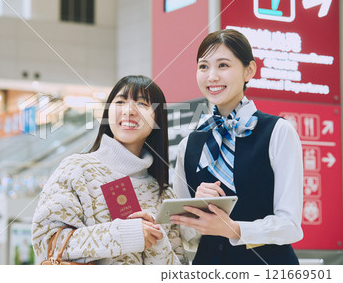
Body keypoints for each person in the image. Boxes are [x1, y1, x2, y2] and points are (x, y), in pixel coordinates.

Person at [171, 29, 303, 265]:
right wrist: (195, 209)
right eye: (203, 67)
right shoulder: (188, 145)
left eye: (223, 65)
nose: (211, 76)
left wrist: (234, 229)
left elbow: (290, 226)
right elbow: (184, 235)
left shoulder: (278, 132)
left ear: (249, 70)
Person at [32, 75, 187, 265]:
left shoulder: (163, 195)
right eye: (120, 101)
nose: (129, 111)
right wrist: (124, 235)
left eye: (142, 104)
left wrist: (157, 241)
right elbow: (47, 243)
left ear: (157, 119)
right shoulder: (76, 170)